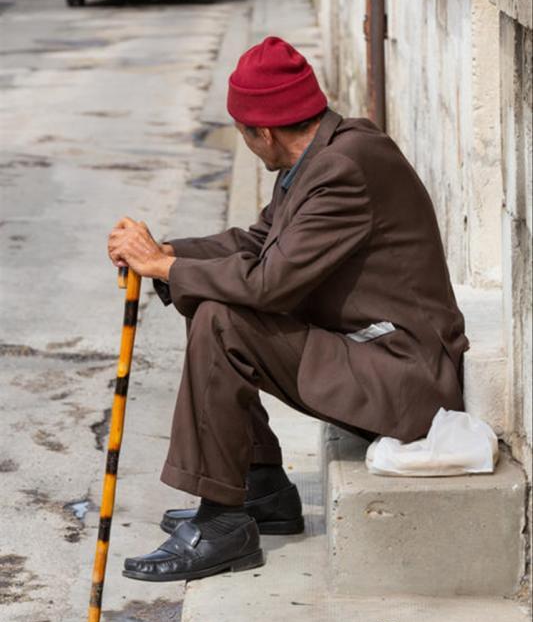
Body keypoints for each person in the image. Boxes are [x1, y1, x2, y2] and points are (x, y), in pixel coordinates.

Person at [107, 35, 468, 583]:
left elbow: (269, 284)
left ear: (265, 131)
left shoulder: (344, 169)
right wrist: (169, 253)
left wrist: (163, 267)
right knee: (214, 301)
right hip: (377, 358)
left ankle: (225, 522)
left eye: (244, 133)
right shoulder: (319, 157)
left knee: (223, 318)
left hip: (406, 378)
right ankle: (261, 488)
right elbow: (255, 244)